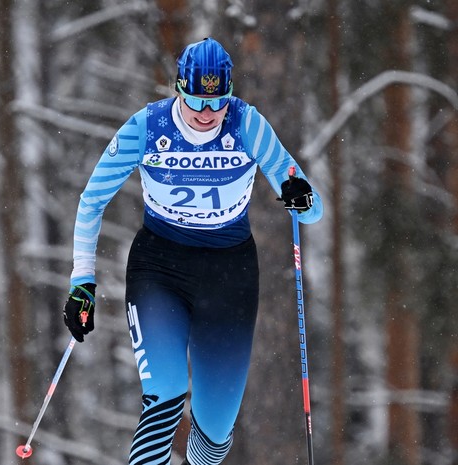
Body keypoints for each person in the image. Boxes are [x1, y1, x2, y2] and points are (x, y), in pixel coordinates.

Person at [63, 37, 323, 465]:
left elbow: (311, 212)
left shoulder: (248, 125)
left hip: (230, 274)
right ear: (178, 90)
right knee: (164, 392)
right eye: (196, 102)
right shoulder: (147, 127)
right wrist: (82, 283)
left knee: (214, 435)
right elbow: (92, 200)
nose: (207, 115)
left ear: (230, 95)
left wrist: (302, 197)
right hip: (159, 267)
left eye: (218, 103)